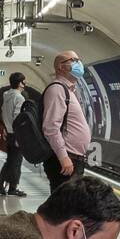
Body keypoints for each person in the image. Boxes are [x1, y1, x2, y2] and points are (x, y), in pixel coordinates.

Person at [42, 50, 92, 194]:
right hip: (65, 159)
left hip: (73, 158)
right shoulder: (57, 89)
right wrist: (63, 157)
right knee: (63, 207)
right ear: (60, 67)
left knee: (69, 205)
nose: (79, 63)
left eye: (79, 60)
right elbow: (51, 127)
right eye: (73, 60)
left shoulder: (68, 90)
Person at [0, 72, 28, 197]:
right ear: (20, 83)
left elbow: (4, 113)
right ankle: (12, 188)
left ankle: (1, 186)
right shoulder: (19, 98)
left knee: (10, 161)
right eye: (24, 81)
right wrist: (21, 135)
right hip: (16, 134)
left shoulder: (6, 95)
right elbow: (17, 118)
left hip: (9, 133)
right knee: (16, 162)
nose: (25, 84)